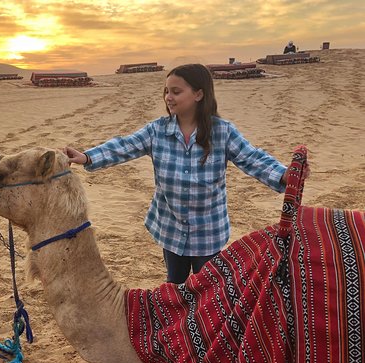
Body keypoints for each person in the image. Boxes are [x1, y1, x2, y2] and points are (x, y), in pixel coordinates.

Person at [65, 63, 300, 284]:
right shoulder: (157, 131)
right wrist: (88, 157)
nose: (169, 97)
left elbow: (253, 158)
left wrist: (283, 175)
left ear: (198, 94)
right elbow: (124, 146)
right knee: (175, 285)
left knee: (207, 288)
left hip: (208, 232)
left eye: (176, 91)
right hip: (171, 228)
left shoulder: (222, 132)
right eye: (166, 91)